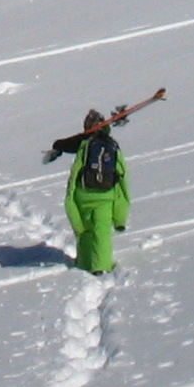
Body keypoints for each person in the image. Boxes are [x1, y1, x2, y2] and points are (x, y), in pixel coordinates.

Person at [48, 109, 130, 275]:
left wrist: (57, 145)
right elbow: (122, 176)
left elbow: (72, 164)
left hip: (83, 195)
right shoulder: (111, 145)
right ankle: (101, 267)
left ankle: (84, 264)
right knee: (102, 233)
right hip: (106, 196)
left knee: (84, 230)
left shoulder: (83, 144)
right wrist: (120, 216)